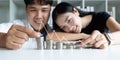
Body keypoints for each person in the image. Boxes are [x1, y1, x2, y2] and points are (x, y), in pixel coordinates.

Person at [47, 2, 120, 49]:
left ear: (76, 11)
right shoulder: (66, 31)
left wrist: (107, 38)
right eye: (63, 27)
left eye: (69, 20)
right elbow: (49, 36)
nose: (70, 28)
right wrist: (83, 36)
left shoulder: (102, 17)